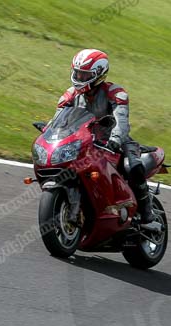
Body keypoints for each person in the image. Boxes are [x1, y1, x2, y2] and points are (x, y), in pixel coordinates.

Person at [55, 48, 157, 228]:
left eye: (85, 75)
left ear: (99, 75)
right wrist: (49, 130)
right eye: (77, 73)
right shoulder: (70, 95)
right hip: (85, 141)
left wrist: (115, 139)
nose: (79, 78)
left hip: (116, 141)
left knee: (132, 166)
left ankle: (147, 213)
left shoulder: (115, 93)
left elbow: (121, 121)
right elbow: (57, 119)